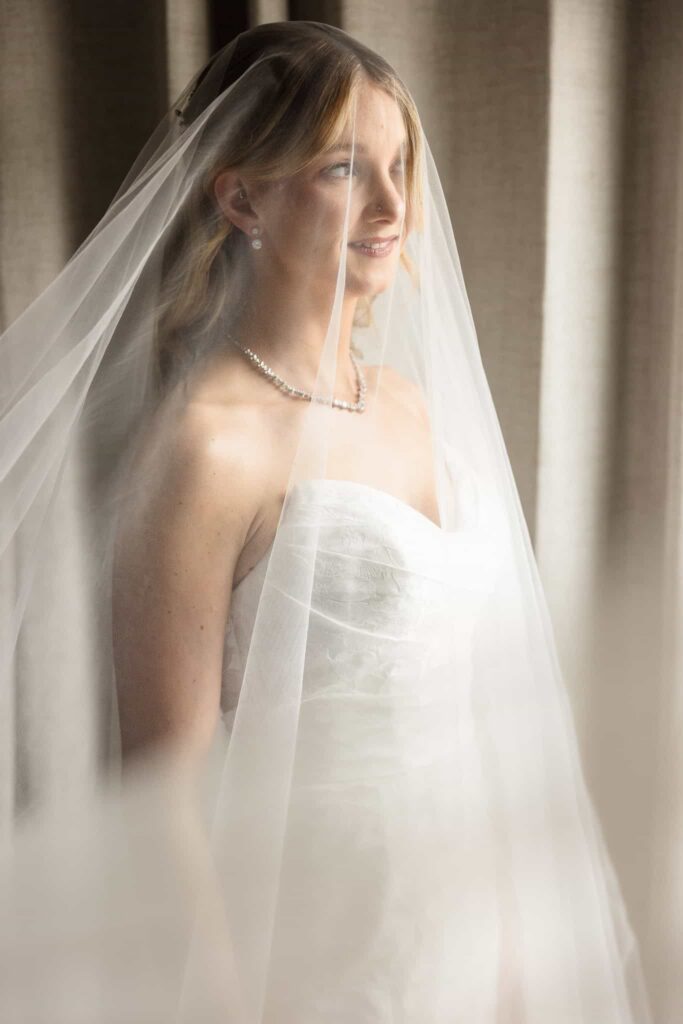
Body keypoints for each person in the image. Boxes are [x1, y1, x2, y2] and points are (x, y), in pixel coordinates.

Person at [0, 20, 653, 1024]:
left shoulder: (404, 403)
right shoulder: (206, 445)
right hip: (317, 951)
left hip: (475, 920)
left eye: (400, 169)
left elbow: (487, 700)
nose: (394, 208)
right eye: (346, 170)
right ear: (242, 196)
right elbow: (163, 797)